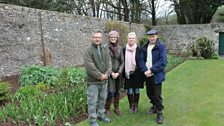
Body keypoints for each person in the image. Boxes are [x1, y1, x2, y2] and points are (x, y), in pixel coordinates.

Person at [83, 30, 112, 126]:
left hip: (104, 80)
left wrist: (107, 74)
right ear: (92, 38)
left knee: (102, 99)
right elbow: (89, 66)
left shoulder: (105, 49)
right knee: (92, 101)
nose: (97, 39)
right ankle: (92, 120)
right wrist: (100, 75)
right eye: (95, 37)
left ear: (101, 38)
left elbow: (109, 63)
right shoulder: (88, 50)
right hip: (93, 82)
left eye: (99, 37)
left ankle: (101, 115)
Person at [138, 29, 167, 124]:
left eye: (153, 36)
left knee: (157, 95)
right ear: (148, 37)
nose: (151, 38)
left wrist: (151, 70)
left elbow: (163, 62)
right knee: (149, 94)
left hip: (156, 74)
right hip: (147, 74)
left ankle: (159, 112)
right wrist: (145, 71)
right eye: (150, 36)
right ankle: (155, 107)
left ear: (157, 36)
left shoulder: (161, 47)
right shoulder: (145, 47)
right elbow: (141, 60)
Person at [123, 32, 145, 113]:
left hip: (137, 73)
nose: (131, 39)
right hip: (128, 74)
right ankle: (131, 105)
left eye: (132, 38)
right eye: (129, 38)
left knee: (136, 90)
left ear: (135, 39)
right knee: (129, 90)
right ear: (127, 39)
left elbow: (143, 60)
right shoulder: (124, 49)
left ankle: (136, 105)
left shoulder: (140, 49)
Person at [105, 30, 125, 116]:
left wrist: (119, 72)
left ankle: (116, 108)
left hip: (118, 75)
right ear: (109, 38)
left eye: (115, 37)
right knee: (110, 92)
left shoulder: (120, 48)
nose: (113, 38)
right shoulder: (105, 48)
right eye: (111, 37)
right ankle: (107, 108)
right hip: (110, 74)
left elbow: (122, 62)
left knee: (117, 91)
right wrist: (111, 72)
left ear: (117, 38)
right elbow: (104, 62)